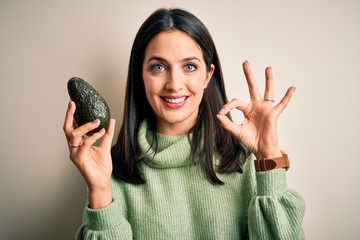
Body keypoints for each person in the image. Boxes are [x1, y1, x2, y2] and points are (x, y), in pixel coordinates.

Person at [63, 7, 305, 240]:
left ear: (208, 75)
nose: (174, 84)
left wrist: (269, 157)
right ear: (140, 75)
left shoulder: (246, 163)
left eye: (189, 66)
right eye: (158, 67)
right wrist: (100, 190)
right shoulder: (112, 170)